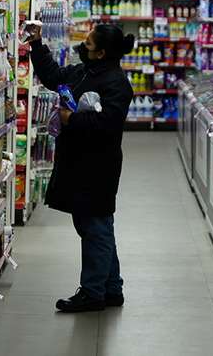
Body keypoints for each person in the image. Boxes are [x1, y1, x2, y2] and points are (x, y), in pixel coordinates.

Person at [26, 23, 134, 313]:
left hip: (98, 166)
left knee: (95, 227)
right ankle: (111, 288)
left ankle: (92, 292)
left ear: (101, 53)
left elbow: (108, 125)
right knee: (96, 226)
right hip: (79, 162)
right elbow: (54, 77)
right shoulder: (85, 71)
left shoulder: (116, 84)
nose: (82, 47)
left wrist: (71, 119)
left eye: (87, 44)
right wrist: (37, 44)